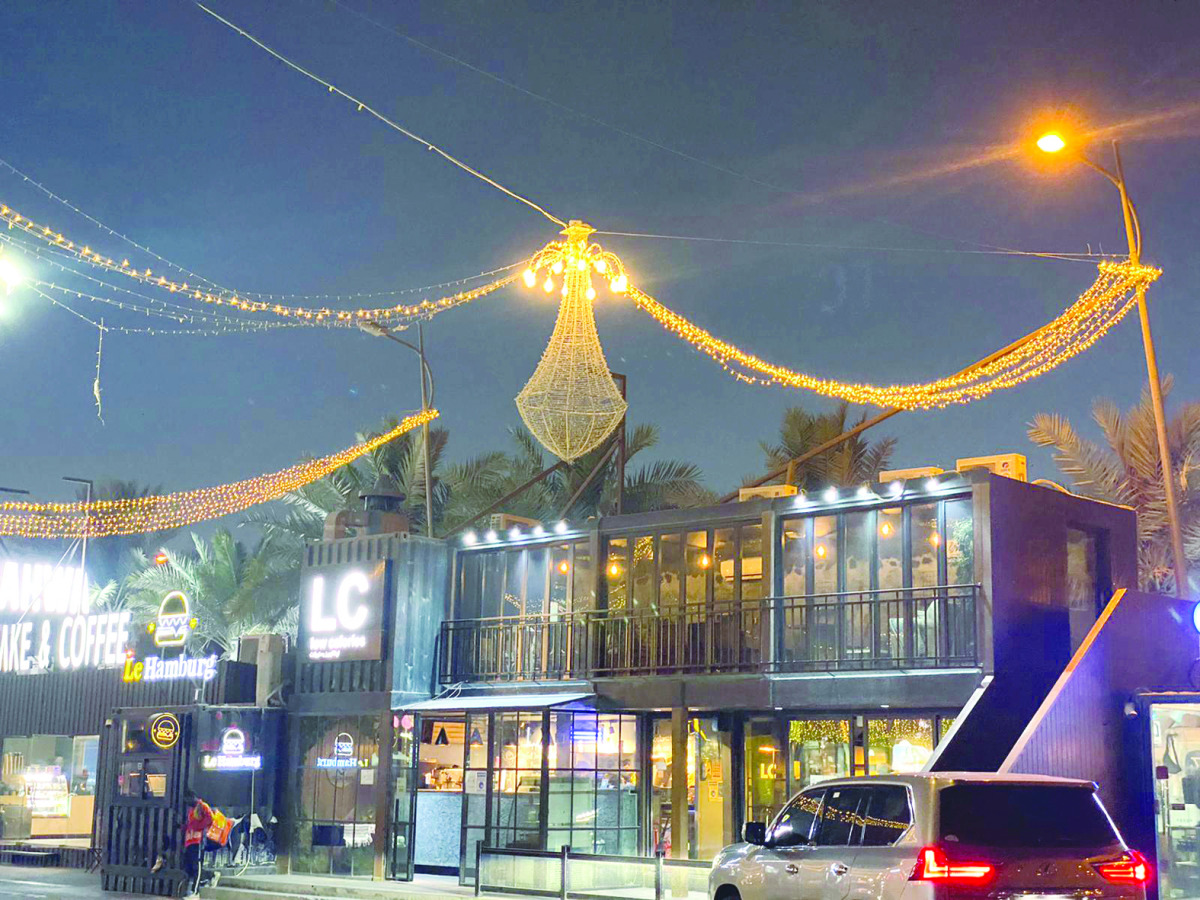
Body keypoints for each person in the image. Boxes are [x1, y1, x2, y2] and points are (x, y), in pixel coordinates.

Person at [181, 790, 213, 898]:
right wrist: (183, 827)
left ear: (192, 797)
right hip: (190, 840)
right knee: (189, 867)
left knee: (196, 866)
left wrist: (198, 827)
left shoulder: (202, 806)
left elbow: (210, 819)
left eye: (187, 799)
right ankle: (210, 876)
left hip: (198, 840)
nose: (187, 802)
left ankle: (195, 892)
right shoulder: (191, 810)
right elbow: (191, 825)